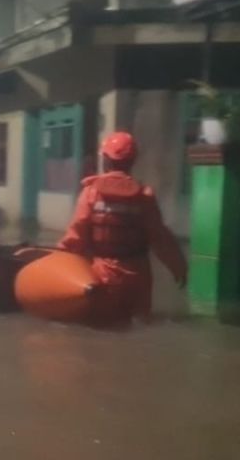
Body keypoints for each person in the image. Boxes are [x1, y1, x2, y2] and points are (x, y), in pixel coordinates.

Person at [58, 131, 188, 324]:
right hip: (139, 276)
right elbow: (160, 239)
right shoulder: (145, 196)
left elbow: (76, 236)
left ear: (106, 160)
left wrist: (57, 261)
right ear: (133, 161)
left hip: (104, 274)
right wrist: (178, 267)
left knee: (104, 328)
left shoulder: (91, 193)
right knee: (140, 326)